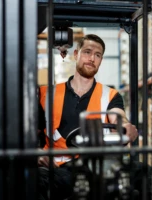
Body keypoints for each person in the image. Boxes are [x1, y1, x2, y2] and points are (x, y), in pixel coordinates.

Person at [37, 34, 140, 200]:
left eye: (98, 55)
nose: (92, 58)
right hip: (56, 169)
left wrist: (126, 126)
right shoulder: (46, 94)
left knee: (144, 173)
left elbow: (118, 117)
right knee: (31, 180)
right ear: (76, 54)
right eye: (87, 52)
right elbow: (26, 133)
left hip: (96, 168)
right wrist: (35, 153)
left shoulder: (110, 95)